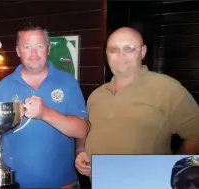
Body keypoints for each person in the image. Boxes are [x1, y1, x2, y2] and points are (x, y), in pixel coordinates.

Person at [0, 22, 89, 188]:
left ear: (48, 49)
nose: (33, 53)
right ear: (18, 51)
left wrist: (46, 113)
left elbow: (82, 129)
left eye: (39, 46)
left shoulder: (67, 82)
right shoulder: (4, 86)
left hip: (63, 184)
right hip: (14, 184)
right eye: (27, 46)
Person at [75, 27, 199, 177]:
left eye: (129, 48)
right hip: (99, 181)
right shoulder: (97, 95)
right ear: (106, 53)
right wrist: (81, 151)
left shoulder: (166, 88)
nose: (120, 55)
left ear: (143, 52)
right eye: (114, 49)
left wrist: (174, 171)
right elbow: (88, 131)